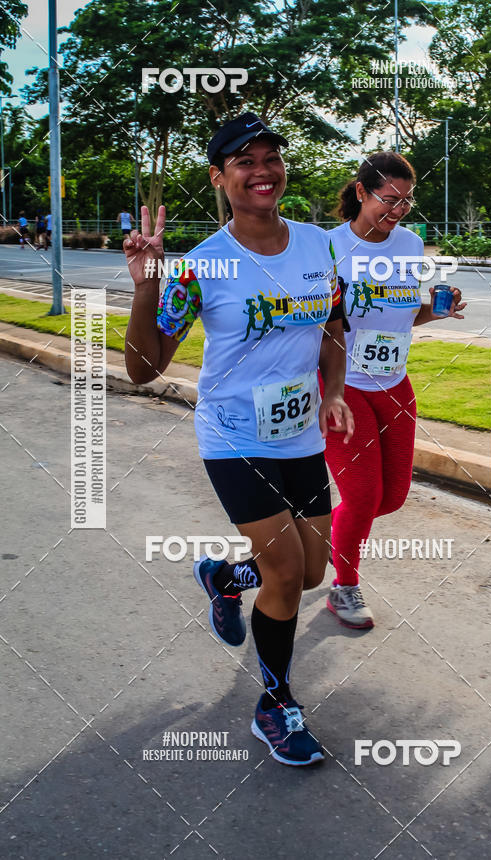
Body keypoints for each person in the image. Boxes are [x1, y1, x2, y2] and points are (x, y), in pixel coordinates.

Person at [123, 112, 353, 766]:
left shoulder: (317, 245)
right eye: (244, 162)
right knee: (284, 572)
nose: (262, 171)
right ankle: (275, 705)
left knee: (312, 573)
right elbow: (144, 368)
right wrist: (146, 287)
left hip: (300, 434)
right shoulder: (203, 267)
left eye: (270, 158)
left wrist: (333, 391)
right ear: (219, 177)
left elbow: (334, 326)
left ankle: (226, 579)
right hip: (232, 435)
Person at [322, 152, 466, 628]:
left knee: (392, 497)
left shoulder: (409, 243)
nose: (399, 209)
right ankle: (343, 587)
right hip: (345, 386)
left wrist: (436, 311)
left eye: (407, 200)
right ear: (361, 193)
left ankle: (330, 534)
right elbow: (321, 323)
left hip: (395, 384)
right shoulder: (328, 248)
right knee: (363, 497)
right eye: (389, 199)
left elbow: (405, 313)